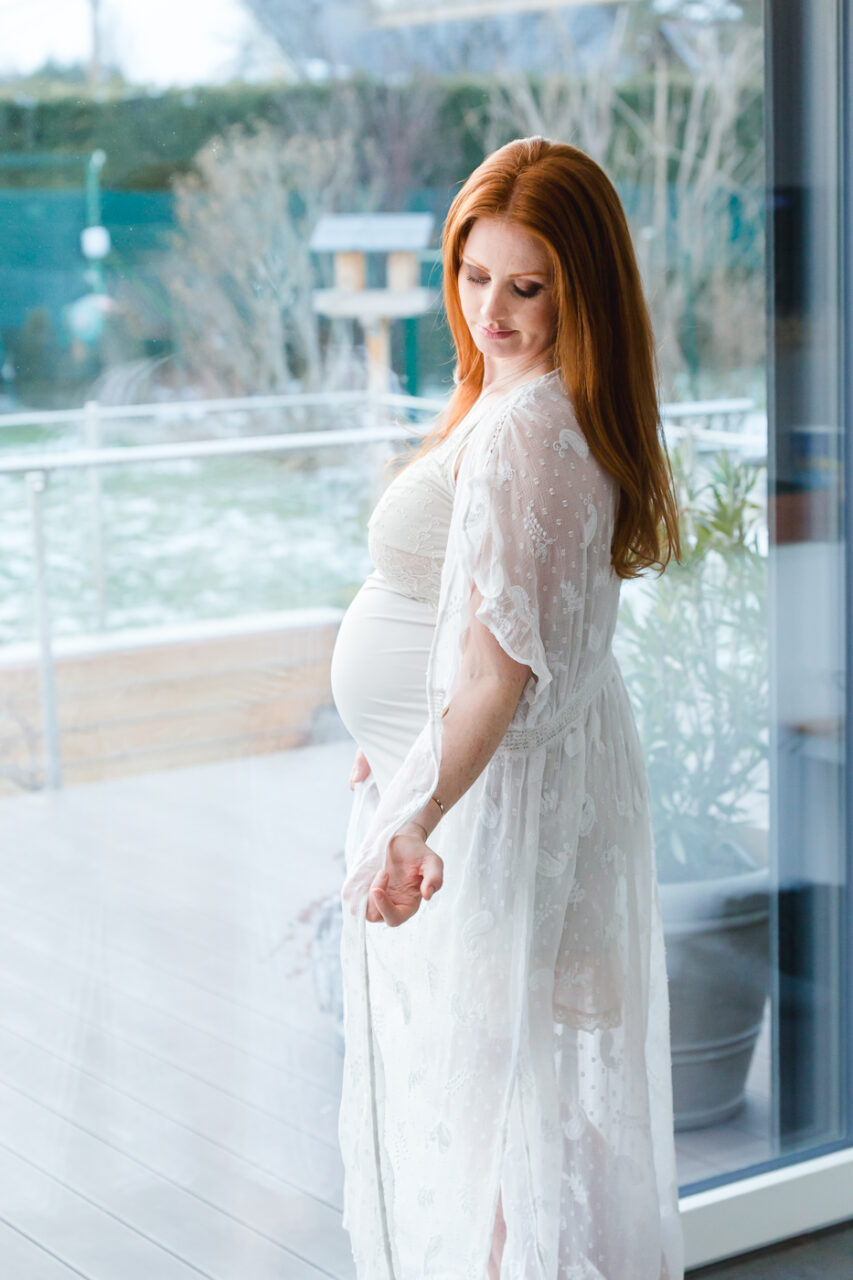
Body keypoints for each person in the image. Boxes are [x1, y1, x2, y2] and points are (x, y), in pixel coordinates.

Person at [330, 135, 685, 1280]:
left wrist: (414, 807)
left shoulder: (531, 430)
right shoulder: (546, 398)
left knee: (484, 1130)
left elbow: (501, 673)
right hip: (514, 788)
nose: (493, 308)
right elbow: (494, 629)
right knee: (515, 1118)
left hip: (491, 815)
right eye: (474, 276)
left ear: (584, 286)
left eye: (527, 286)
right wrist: (395, 750)